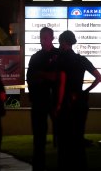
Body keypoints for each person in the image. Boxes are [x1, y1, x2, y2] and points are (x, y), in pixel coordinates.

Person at [56, 30, 101, 171]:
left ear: (63, 42)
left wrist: (58, 104)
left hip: (66, 103)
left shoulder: (61, 60)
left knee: (65, 139)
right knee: (78, 137)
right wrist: (85, 91)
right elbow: (99, 77)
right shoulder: (82, 59)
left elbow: (62, 83)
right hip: (81, 103)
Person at [26, 27, 65, 171]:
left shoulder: (59, 55)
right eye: (42, 38)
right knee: (39, 137)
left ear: (52, 38)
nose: (43, 41)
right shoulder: (36, 57)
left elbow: (58, 77)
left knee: (61, 136)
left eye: (46, 38)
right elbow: (30, 78)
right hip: (39, 101)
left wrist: (41, 75)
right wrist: (47, 76)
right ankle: (38, 165)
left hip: (56, 100)